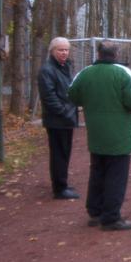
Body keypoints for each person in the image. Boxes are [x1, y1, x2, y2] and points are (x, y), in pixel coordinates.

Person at [68, 40, 131, 231]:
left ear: (98, 54)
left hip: (96, 132)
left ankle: (95, 212)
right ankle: (111, 217)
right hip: (119, 134)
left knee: (97, 171)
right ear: (116, 55)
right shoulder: (123, 73)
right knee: (116, 175)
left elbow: (72, 95)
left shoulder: (85, 73)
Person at [38, 37, 80, 200]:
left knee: (64, 152)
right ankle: (59, 188)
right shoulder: (47, 70)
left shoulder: (65, 67)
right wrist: (64, 112)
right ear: (52, 51)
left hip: (67, 118)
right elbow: (49, 97)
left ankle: (62, 183)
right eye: (60, 50)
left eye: (66, 50)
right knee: (58, 154)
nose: (64, 53)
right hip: (57, 120)